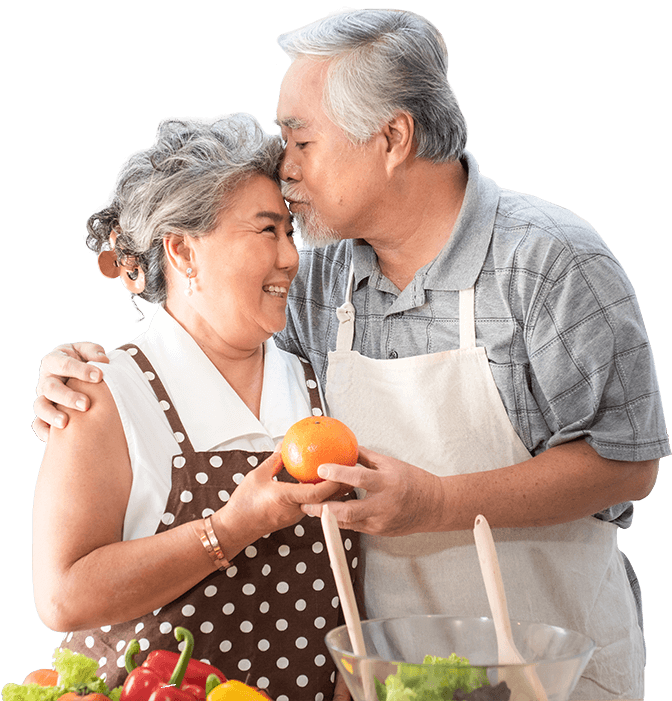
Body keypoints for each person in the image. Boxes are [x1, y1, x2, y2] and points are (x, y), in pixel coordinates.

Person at [33, 9, 666, 700]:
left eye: (300, 140)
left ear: (392, 138)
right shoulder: (318, 280)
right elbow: (207, 326)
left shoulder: (550, 262)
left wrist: (439, 502)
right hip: (384, 677)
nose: (286, 164)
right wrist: (81, 365)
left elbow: (629, 463)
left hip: (554, 667)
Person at [32, 113, 360, 701]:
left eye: (292, 234)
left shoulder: (319, 383)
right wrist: (233, 527)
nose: (290, 258)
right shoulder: (105, 392)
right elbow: (62, 597)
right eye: (266, 231)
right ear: (183, 251)